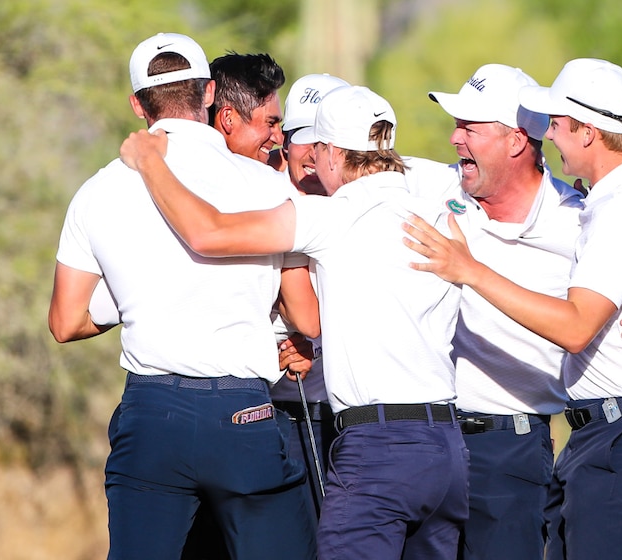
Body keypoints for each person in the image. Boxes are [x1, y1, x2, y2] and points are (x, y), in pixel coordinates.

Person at [119, 84, 469, 560]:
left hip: (377, 449)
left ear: (334, 153)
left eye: (317, 150)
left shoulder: (332, 217)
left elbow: (207, 233)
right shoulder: (440, 215)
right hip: (447, 448)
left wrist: (150, 163)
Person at [403, 63, 622, 560]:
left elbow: (576, 328)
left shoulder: (619, 210)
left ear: (588, 132)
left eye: (558, 124)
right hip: (604, 434)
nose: (549, 133)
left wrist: (470, 270)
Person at [48, 32, 317, 560]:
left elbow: (65, 321)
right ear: (210, 93)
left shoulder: (97, 191)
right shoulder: (268, 186)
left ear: (137, 104)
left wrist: (138, 290)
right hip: (244, 414)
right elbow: (304, 315)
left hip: (151, 416)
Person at [269, 72, 350, 518]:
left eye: (326, 140)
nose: (314, 153)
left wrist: (317, 347)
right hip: (276, 413)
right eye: (305, 137)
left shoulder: (361, 205)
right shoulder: (262, 198)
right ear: (285, 142)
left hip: (348, 420)